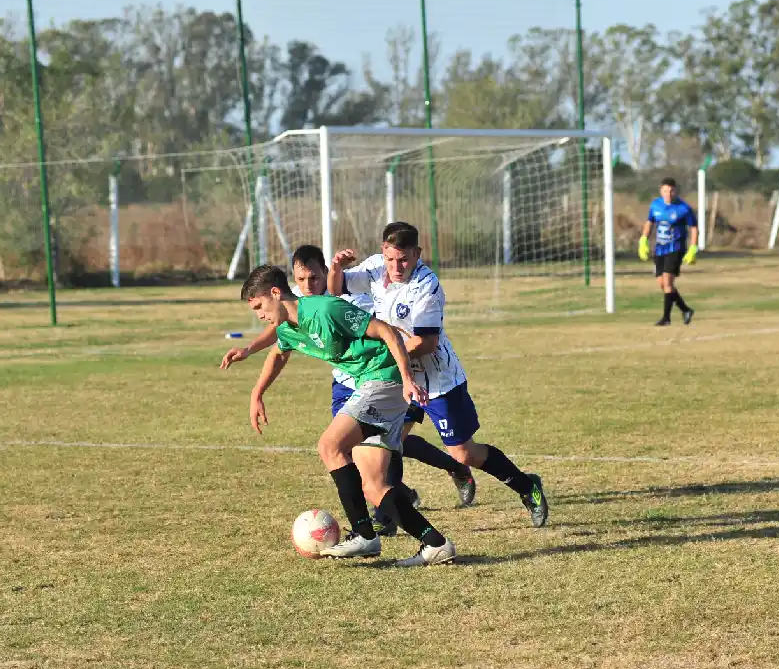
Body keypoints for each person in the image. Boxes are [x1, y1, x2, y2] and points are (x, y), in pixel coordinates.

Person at [222, 245, 476, 528]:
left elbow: (385, 331)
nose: (308, 285)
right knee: (358, 456)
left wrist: (405, 377)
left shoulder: (335, 304)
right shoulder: (293, 311)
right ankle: (412, 525)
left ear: (325, 274)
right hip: (350, 382)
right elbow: (280, 341)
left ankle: (373, 525)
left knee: (343, 447)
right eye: (301, 279)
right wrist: (251, 362)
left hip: (385, 375)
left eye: (314, 278)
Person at [328, 222, 548, 528]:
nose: (396, 266)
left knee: (464, 453)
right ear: (383, 253)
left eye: (404, 259)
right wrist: (336, 267)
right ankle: (386, 515)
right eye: (391, 259)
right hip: (398, 378)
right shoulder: (376, 268)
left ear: (417, 254)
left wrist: (386, 355)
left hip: (438, 380)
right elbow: (336, 288)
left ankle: (527, 486)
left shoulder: (426, 286)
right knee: (386, 444)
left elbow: (426, 342)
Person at [638, 177, 698, 326]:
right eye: (665, 191)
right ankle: (685, 309)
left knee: (668, 282)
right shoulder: (655, 205)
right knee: (662, 284)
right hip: (660, 248)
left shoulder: (684, 208)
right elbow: (649, 222)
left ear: (676, 191)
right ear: (661, 191)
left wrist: (693, 247)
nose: (668, 194)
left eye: (671, 191)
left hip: (676, 248)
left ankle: (666, 318)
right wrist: (643, 239)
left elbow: (694, 228)